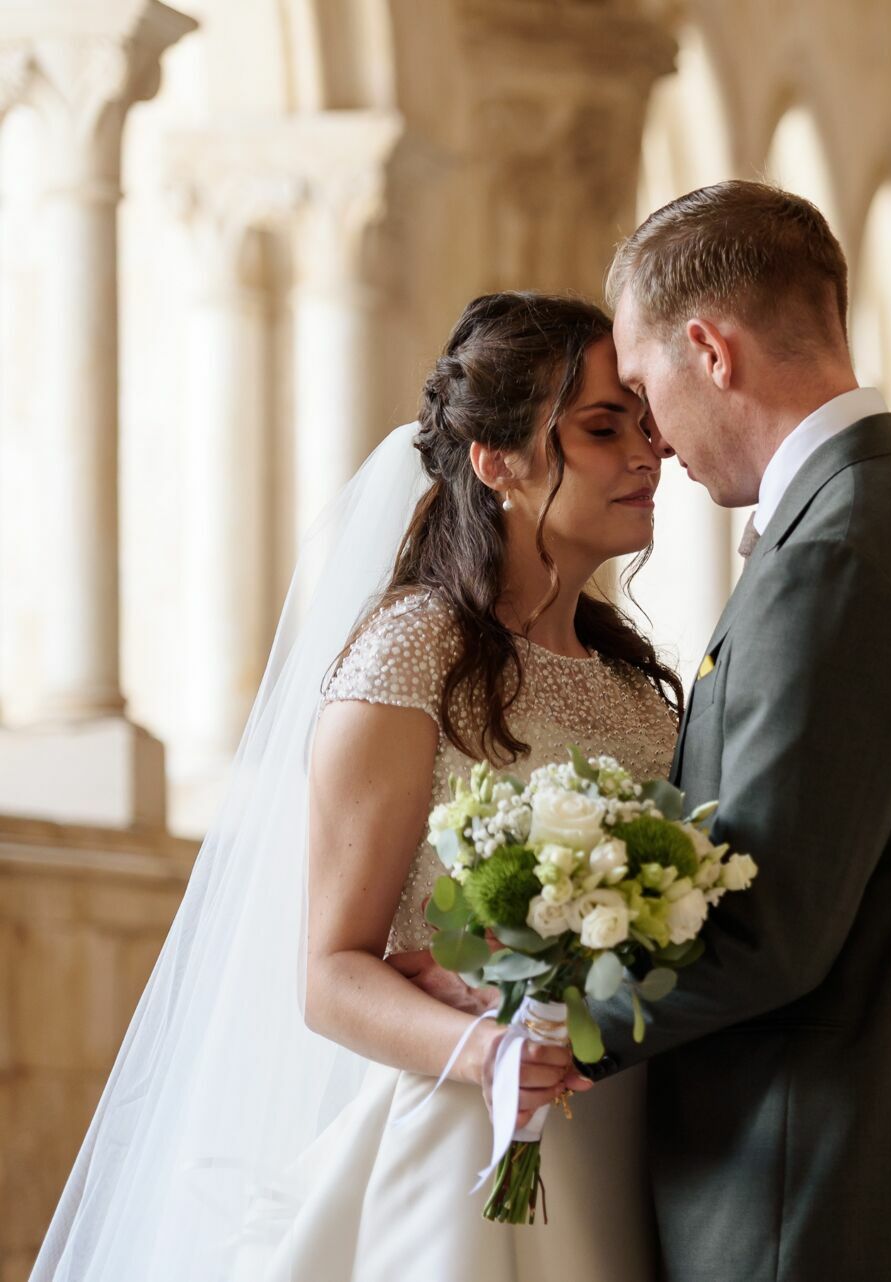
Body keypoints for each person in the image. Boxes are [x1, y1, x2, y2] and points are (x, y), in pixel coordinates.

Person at [32, 292, 678, 1280]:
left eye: (645, 422)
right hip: (481, 1136)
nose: (651, 451)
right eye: (604, 426)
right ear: (497, 462)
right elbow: (331, 973)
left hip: (638, 1132)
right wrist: (488, 1051)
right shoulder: (413, 654)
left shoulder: (637, 687)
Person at [584, 178, 891, 1279]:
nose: (650, 434)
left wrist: (540, 1014)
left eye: (641, 383)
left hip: (829, 1195)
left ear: (710, 351)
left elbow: (770, 924)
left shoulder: (837, 555)